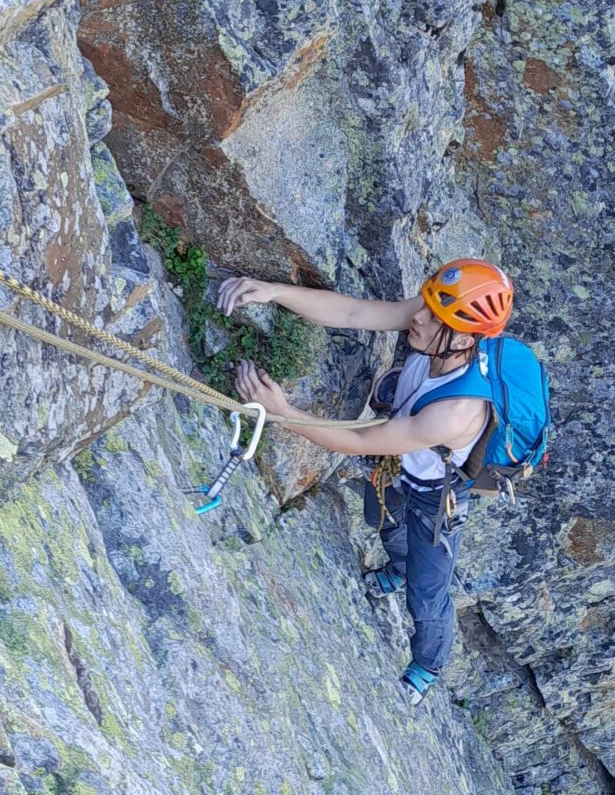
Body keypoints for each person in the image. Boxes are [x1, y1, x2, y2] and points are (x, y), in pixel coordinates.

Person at [214, 261, 514, 700]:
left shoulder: (457, 411)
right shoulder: (439, 322)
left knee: (427, 593)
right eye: (425, 304)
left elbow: (359, 440)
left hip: (436, 496)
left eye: (433, 316)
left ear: (466, 338)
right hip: (402, 466)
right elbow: (355, 314)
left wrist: (280, 410)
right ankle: (397, 568)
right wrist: (273, 291)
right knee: (381, 517)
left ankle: (428, 663)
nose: (418, 317)